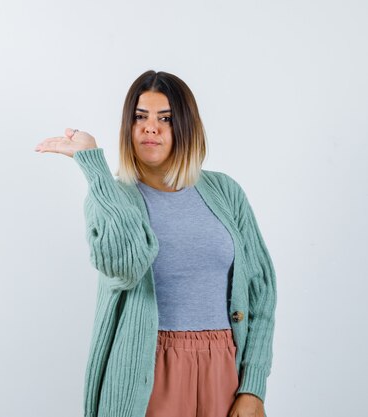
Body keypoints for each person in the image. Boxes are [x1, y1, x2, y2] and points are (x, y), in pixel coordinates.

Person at [34, 70, 276, 417]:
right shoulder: (111, 199)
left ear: (187, 127)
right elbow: (125, 267)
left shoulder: (226, 193)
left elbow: (261, 291)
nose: (151, 128)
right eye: (140, 117)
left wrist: (253, 386)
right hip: (147, 369)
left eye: (166, 118)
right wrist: (96, 171)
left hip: (225, 368)